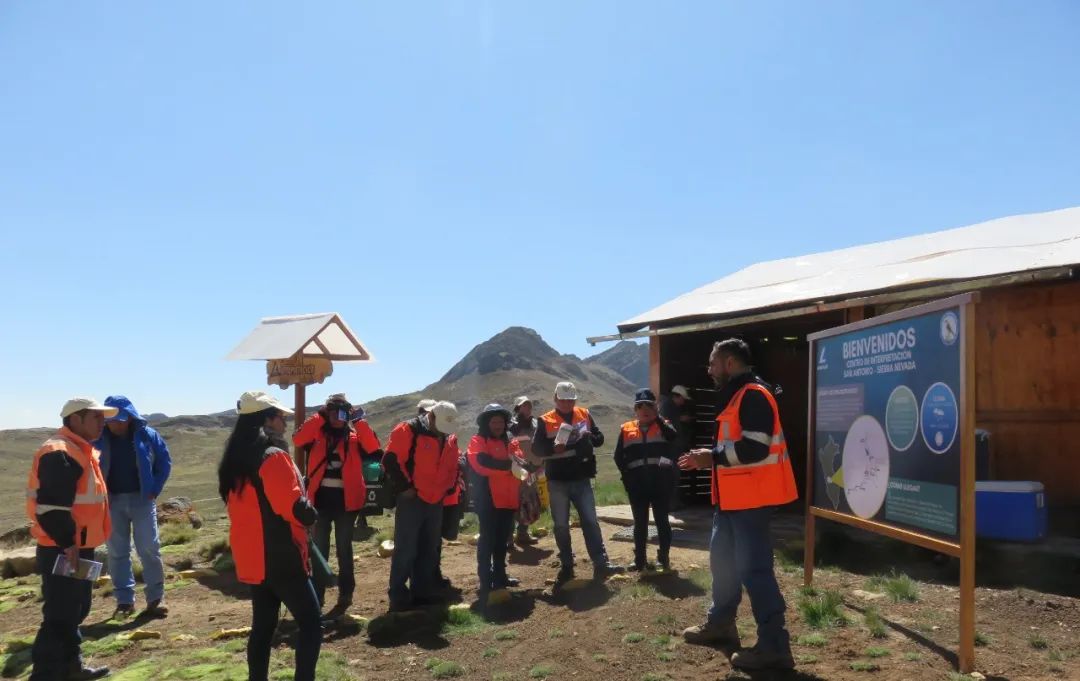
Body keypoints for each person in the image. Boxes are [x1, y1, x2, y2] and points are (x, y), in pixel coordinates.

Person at [678, 339, 798, 671]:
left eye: (712, 363)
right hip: (731, 502)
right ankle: (721, 624)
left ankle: (775, 646)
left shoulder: (754, 395)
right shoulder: (737, 394)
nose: (709, 369)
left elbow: (756, 449)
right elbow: (737, 445)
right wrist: (710, 454)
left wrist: (711, 457)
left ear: (729, 363)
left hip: (752, 501)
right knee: (723, 563)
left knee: (754, 571)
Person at [220, 391, 321, 681]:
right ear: (267, 420)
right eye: (281, 417)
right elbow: (293, 508)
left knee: (263, 628)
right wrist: (311, 512)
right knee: (311, 623)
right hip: (281, 557)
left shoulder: (234, 462)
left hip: (253, 558)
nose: (285, 423)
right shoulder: (273, 457)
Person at [26, 397, 116, 681]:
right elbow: (52, 507)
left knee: (76, 608)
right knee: (60, 613)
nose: (103, 423)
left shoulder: (80, 450)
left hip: (76, 545)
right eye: (96, 418)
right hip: (63, 548)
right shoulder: (60, 452)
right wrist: (68, 544)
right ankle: (46, 673)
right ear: (75, 419)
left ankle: (70, 667)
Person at [293, 393, 381, 613]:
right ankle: (318, 595)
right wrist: (320, 417)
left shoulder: (353, 437)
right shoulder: (317, 434)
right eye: (333, 412)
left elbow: (372, 448)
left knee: (344, 548)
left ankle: (346, 592)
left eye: (342, 412)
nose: (337, 417)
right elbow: (297, 439)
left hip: (346, 503)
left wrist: (359, 421)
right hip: (320, 502)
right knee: (320, 549)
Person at [531, 381, 623, 583]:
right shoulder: (545, 420)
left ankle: (601, 563)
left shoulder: (584, 414)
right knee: (561, 525)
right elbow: (536, 449)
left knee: (590, 522)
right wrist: (552, 449)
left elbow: (599, 438)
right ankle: (566, 564)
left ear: (574, 399)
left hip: (581, 477)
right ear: (555, 399)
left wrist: (590, 437)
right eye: (562, 400)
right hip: (557, 481)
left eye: (570, 400)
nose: (566, 404)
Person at [94, 395, 172, 619]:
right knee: (117, 552)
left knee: (148, 547)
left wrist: (154, 489)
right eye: (111, 420)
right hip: (111, 501)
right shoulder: (98, 439)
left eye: (120, 419)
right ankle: (124, 601)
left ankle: (156, 598)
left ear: (130, 417)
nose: (116, 424)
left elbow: (164, 462)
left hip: (142, 499)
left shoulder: (147, 435)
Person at [382, 400, 461, 611]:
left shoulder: (450, 437)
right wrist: (405, 488)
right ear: (432, 416)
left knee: (429, 548)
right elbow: (390, 460)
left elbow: (454, 466)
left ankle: (422, 593)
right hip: (412, 499)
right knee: (406, 548)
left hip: (436, 500)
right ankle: (398, 596)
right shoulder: (408, 430)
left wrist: (449, 488)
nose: (443, 432)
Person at [613, 389, 678, 572]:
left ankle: (663, 558)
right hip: (637, 485)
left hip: (660, 484)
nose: (645, 409)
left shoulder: (664, 425)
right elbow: (618, 457)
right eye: (640, 406)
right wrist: (627, 477)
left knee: (662, 521)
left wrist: (658, 419)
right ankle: (639, 560)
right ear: (635, 409)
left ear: (655, 407)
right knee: (640, 523)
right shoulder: (626, 429)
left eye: (649, 405)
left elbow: (673, 438)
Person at [467, 404, 527, 600]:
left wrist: (525, 466)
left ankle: (500, 576)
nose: (498, 425)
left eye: (501, 421)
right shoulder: (478, 440)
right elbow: (482, 464)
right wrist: (510, 466)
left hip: (508, 498)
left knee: (502, 540)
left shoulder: (510, 440)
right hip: (488, 499)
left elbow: (519, 460)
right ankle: (486, 580)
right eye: (494, 421)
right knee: (487, 540)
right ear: (486, 423)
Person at [506, 396, 540, 548]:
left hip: (532, 467)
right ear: (517, 408)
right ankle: (508, 537)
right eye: (523, 406)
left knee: (530, 501)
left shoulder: (536, 423)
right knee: (513, 502)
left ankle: (523, 533)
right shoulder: (510, 425)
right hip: (515, 469)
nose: (527, 408)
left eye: (529, 406)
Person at [659, 385, 696, 455]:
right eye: (683, 399)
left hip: (676, 446)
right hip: (671, 446)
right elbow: (664, 423)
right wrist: (680, 419)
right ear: (677, 397)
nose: (683, 402)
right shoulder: (666, 406)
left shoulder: (675, 406)